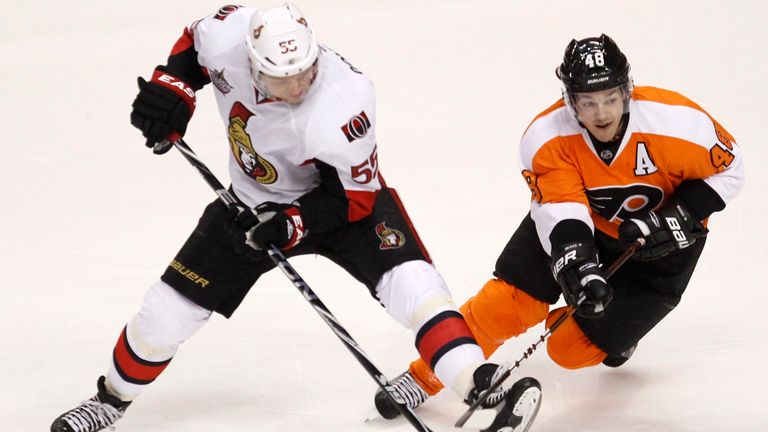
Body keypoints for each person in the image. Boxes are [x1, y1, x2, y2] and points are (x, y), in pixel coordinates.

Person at [49, 4, 541, 432]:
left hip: (343, 204)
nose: (296, 85)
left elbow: (355, 200)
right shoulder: (228, 34)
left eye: (305, 72)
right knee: (164, 314)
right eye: (280, 77)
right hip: (246, 203)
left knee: (416, 287)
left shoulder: (344, 101)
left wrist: (291, 224)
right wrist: (174, 90)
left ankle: (476, 382)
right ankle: (109, 401)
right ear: (252, 61)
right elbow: (192, 46)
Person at [373, 33, 745, 422]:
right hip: (586, 228)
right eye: (588, 102)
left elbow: (731, 169)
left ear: (627, 91)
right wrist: (577, 262)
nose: (601, 113)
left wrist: (682, 214)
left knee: (568, 350)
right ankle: (422, 377)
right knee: (507, 305)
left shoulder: (678, 122)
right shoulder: (547, 137)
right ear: (571, 100)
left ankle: (613, 333)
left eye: (610, 99)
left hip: (660, 248)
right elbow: (564, 210)